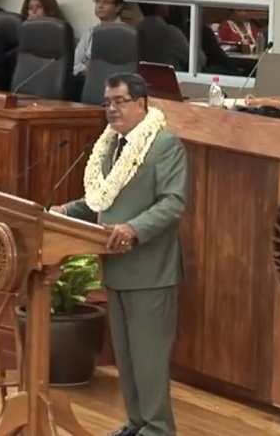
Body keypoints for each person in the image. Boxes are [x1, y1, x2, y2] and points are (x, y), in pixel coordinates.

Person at [53, 73, 188, 436]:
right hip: (115, 267)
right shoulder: (112, 146)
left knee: (149, 359)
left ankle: (158, 428)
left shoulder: (165, 144)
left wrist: (134, 228)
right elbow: (102, 200)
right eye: (107, 102)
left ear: (141, 103)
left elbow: (173, 202)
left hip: (150, 271)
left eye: (119, 101)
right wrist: (66, 210)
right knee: (126, 359)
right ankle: (137, 422)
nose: (111, 109)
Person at [73, 0, 126, 77]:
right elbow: (74, 64)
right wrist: (86, 69)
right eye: (98, 1)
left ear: (118, 7)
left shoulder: (126, 34)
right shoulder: (89, 32)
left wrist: (93, 68)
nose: (100, 6)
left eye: (105, 2)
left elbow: (119, 68)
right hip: (85, 81)